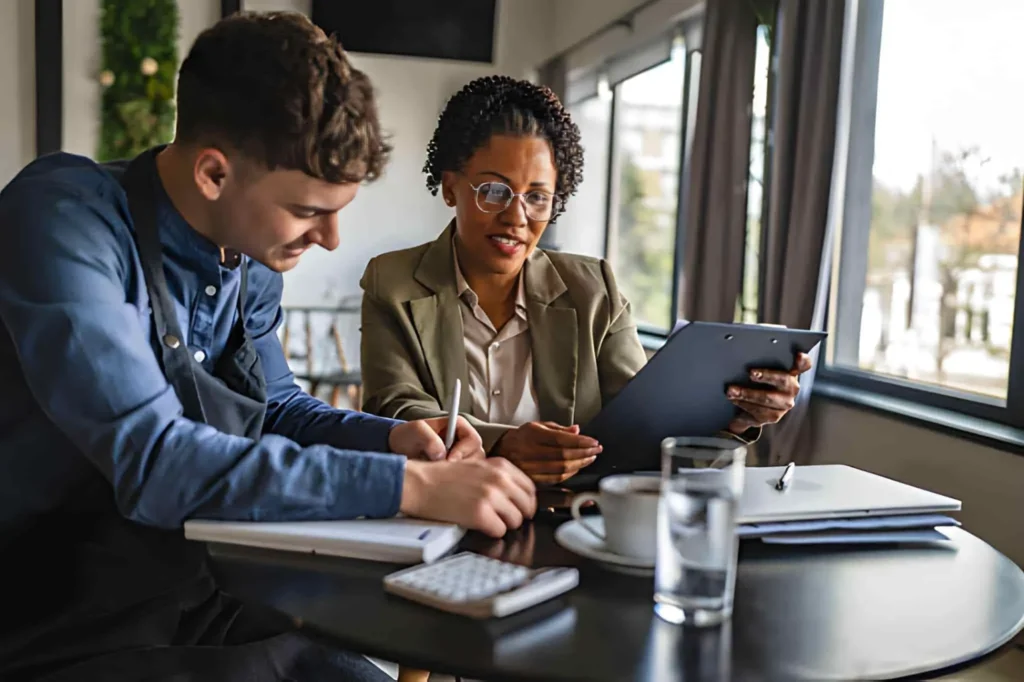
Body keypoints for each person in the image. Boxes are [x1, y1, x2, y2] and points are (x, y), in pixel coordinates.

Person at [0, 13, 536, 682]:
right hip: (48, 619)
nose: (333, 239)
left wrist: (396, 441)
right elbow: (157, 460)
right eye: (310, 212)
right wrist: (411, 487)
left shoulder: (250, 258)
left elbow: (274, 409)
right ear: (214, 174)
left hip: (200, 592)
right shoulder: (63, 221)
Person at [359, 75, 813, 485]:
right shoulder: (393, 282)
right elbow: (398, 411)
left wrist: (733, 416)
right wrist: (503, 444)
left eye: (537, 196)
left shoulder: (593, 288)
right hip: (443, 512)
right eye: (494, 191)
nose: (516, 216)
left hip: (575, 520)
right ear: (452, 186)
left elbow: (645, 423)